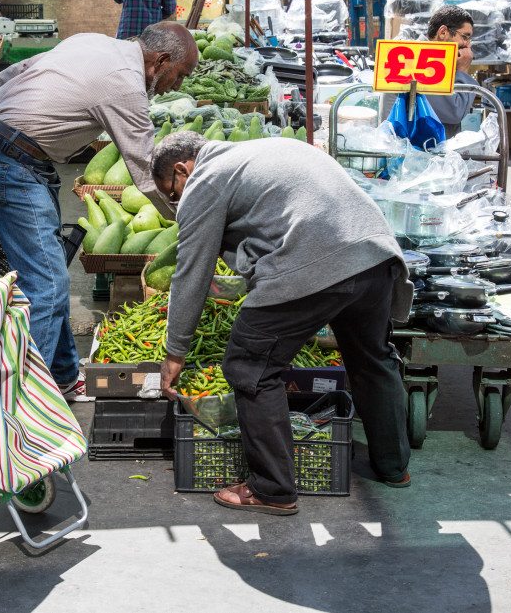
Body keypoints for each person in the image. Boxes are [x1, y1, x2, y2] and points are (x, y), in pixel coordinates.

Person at [152, 132, 414, 516]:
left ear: (182, 167)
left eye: (171, 193)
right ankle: (394, 467)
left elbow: (190, 271)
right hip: (375, 255)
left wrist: (175, 351)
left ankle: (272, 489)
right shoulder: (266, 149)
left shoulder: (205, 180)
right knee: (371, 358)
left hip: (318, 263)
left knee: (249, 366)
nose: (176, 202)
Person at [0, 22, 198, 400]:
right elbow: (148, 175)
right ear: (162, 61)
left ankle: (65, 376)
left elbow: (17, 71)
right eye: (180, 75)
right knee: (48, 283)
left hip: (11, 151)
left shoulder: (95, 40)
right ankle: (25, 401)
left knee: (49, 272)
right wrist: (194, 220)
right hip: (12, 161)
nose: (178, 86)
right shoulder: (125, 86)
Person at [423, 5, 479, 136]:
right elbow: (455, 112)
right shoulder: (425, 62)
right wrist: (462, 70)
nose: (467, 45)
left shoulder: (433, 60)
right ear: (443, 32)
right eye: (465, 37)